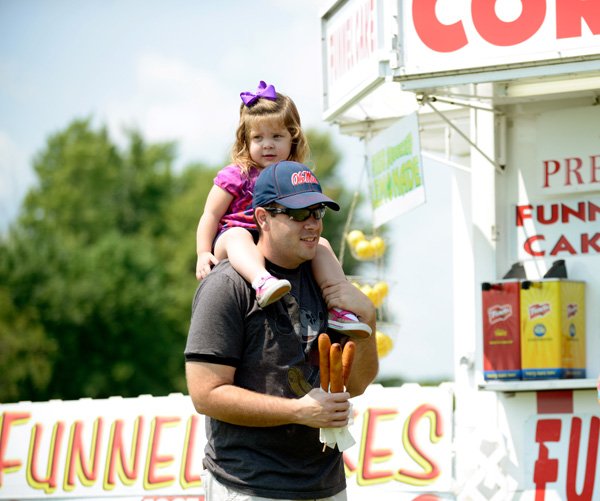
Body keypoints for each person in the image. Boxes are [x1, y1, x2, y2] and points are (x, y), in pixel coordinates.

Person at [185, 160, 379, 501]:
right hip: (247, 485)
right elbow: (206, 394)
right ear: (263, 218)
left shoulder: (328, 282)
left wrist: (369, 318)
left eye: (318, 212)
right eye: (299, 214)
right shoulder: (227, 285)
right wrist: (299, 411)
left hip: (326, 484)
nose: (313, 225)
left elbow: (356, 384)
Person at [195, 80, 370, 338]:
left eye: (277, 136)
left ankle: (339, 304)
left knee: (320, 244)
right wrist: (202, 252)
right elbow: (210, 214)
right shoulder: (237, 174)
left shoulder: (296, 175)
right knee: (238, 235)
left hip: (275, 241)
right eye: (258, 137)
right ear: (245, 140)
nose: (267, 144)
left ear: (292, 138)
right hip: (233, 239)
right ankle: (261, 281)